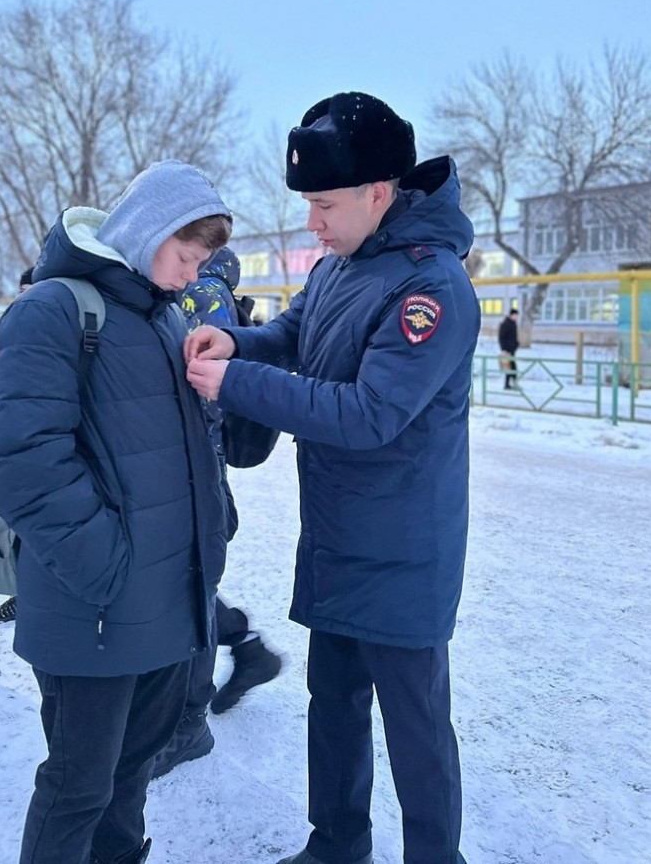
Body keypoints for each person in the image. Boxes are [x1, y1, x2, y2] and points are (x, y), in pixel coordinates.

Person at [185, 92, 479, 864]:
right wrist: (239, 343)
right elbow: (298, 331)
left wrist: (234, 385)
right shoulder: (341, 263)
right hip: (339, 536)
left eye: (323, 203)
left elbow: (370, 412)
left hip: (404, 550)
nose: (312, 221)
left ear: (379, 193)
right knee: (335, 705)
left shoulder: (432, 287)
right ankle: (336, 845)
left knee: (415, 726)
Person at [0, 161, 232, 864]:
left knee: (129, 778)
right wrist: (107, 570)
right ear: (149, 230)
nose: (191, 276)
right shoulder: (54, 309)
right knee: (78, 787)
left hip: (162, 608)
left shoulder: (159, 317)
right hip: (94, 608)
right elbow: (25, 462)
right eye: (187, 256)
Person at [151, 247, 282, 777]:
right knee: (186, 585)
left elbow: (196, 387)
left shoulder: (202, 294)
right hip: (195, 464)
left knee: (190, 589)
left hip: (192, 465)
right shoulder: (210, 292)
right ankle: (246, 647)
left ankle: (188, 726)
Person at [0, 264, 37, 627]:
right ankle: (22, 594)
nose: (26, 297)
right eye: (22, 290)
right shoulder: (14, 327)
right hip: (19, 443)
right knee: (19, 530)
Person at [498, 306, 520, 389]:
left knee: (511, 367)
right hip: (507, 350)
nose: (517, 318)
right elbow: (501, 337)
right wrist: (503, 349)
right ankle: (510, 384)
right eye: (516, 316)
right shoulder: (505, 324)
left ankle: (509, 384)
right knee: (511, 367)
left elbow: (513, 337)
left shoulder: (513, 324)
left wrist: (516, 344)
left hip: (512, 349)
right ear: (511, 315)